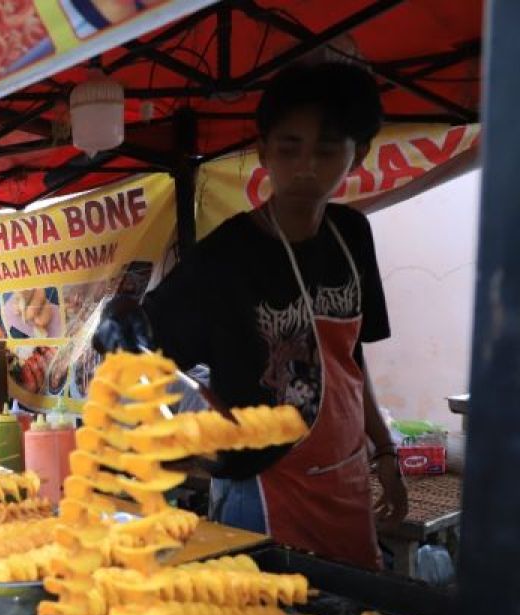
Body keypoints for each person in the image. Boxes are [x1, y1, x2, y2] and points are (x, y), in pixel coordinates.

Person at [94, 62, 407, 570]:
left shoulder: (352, 235)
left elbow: (349, 358)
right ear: (264, 152)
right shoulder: (224, 259)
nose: (306, 166)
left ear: (358, 156)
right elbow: (134, 350)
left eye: (326, 149)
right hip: (260, 491)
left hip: (347, 482)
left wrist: (385, 452)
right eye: (289, 148)